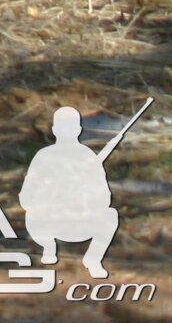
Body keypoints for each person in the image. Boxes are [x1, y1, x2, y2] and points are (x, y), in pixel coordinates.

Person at [18, 106, 119, 276]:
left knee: (110, 215)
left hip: (81, 221)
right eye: (63, 127)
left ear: (79, 129)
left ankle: (93, 259)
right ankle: (49, 248)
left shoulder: (87, 156)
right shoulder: (44, 156)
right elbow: (27, 195)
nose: (67, 131)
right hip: (49, 222)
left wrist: (84, 200)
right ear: (54, 130)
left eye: (71, 127)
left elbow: (104, 197)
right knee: (32, 215)